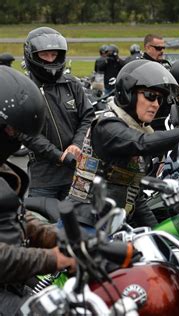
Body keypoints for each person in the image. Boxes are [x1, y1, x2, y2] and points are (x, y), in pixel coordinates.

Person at [68, 60, 179, 228]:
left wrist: (157, 234)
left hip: (112, 223)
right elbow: (143, 143)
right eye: (150, 96)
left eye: (159, 99)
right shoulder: (107, 126)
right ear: (128, 93)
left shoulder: (138, 129)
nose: (156, 104)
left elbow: (134, 195)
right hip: (84, 225)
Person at [0, 66, 76, 314]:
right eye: (9, 130)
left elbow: (17, 218)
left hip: (14, 281)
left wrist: (60, 238)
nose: (14, 137)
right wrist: (53, 258)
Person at [21, 27, 95, 201]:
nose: (50, 59)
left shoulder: (71, 84)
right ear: (32, 56)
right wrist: (57, 155)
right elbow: (25, 132)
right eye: (44, 55)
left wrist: (77, 145)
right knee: (41, 225)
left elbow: (88, 117)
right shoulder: (24, 89)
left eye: (53, 55)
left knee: (79, 225)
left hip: (76, 173)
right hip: (44, 179)